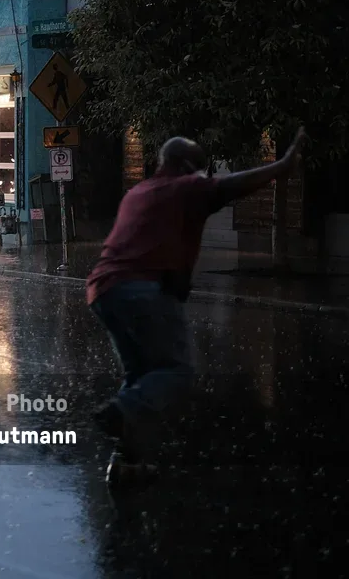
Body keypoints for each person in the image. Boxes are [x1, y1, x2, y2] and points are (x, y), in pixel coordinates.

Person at [87, 127, 309, 484]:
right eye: (199, 167)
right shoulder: (185, 188)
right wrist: (281, 166)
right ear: (184, 165)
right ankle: (120, 413)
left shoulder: (139, 191)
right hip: (144, 287)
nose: (202, 174)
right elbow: (230, 185)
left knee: (142, 376)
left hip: (103, 290)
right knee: (177, 371)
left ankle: (126, 461)